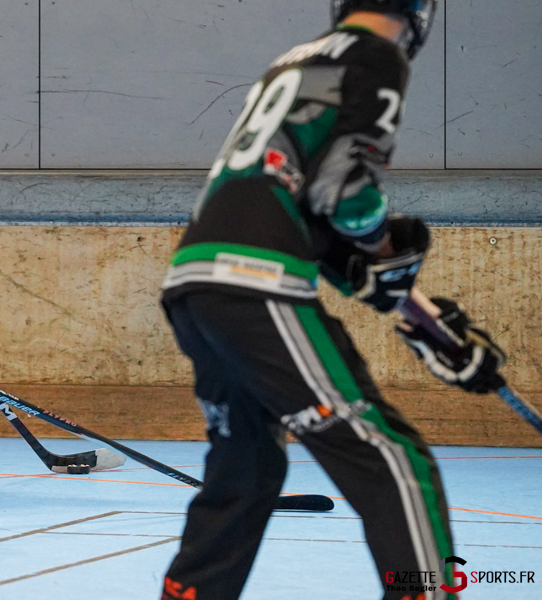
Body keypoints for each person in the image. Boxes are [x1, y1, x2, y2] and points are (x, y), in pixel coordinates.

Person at [159, 1, 504, 599]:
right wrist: (387, 251)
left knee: (246, 470)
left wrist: (423, 319)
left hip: (195, 282)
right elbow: (345, 195)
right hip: (255, 281)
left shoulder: (294, 61)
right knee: (392, 459)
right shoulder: (376, 55)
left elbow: (301, 209)